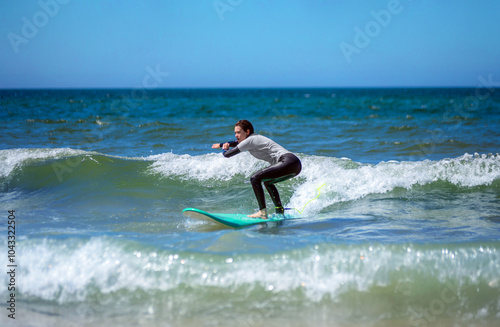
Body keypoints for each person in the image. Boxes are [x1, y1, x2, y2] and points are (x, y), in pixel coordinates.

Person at [212, 120, 301, 219]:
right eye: (235, 133)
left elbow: (227, 154)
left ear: (247, 132)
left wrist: (224, 149)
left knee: (255, 178)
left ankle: (262, 212)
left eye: (238, 132)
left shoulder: (250, 140)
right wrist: (222, 144)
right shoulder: (252, 139)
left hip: (287, 161)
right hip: (295, 164)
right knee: (268, 182)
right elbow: (235, 143)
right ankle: (279, 210)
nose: (236, 135)